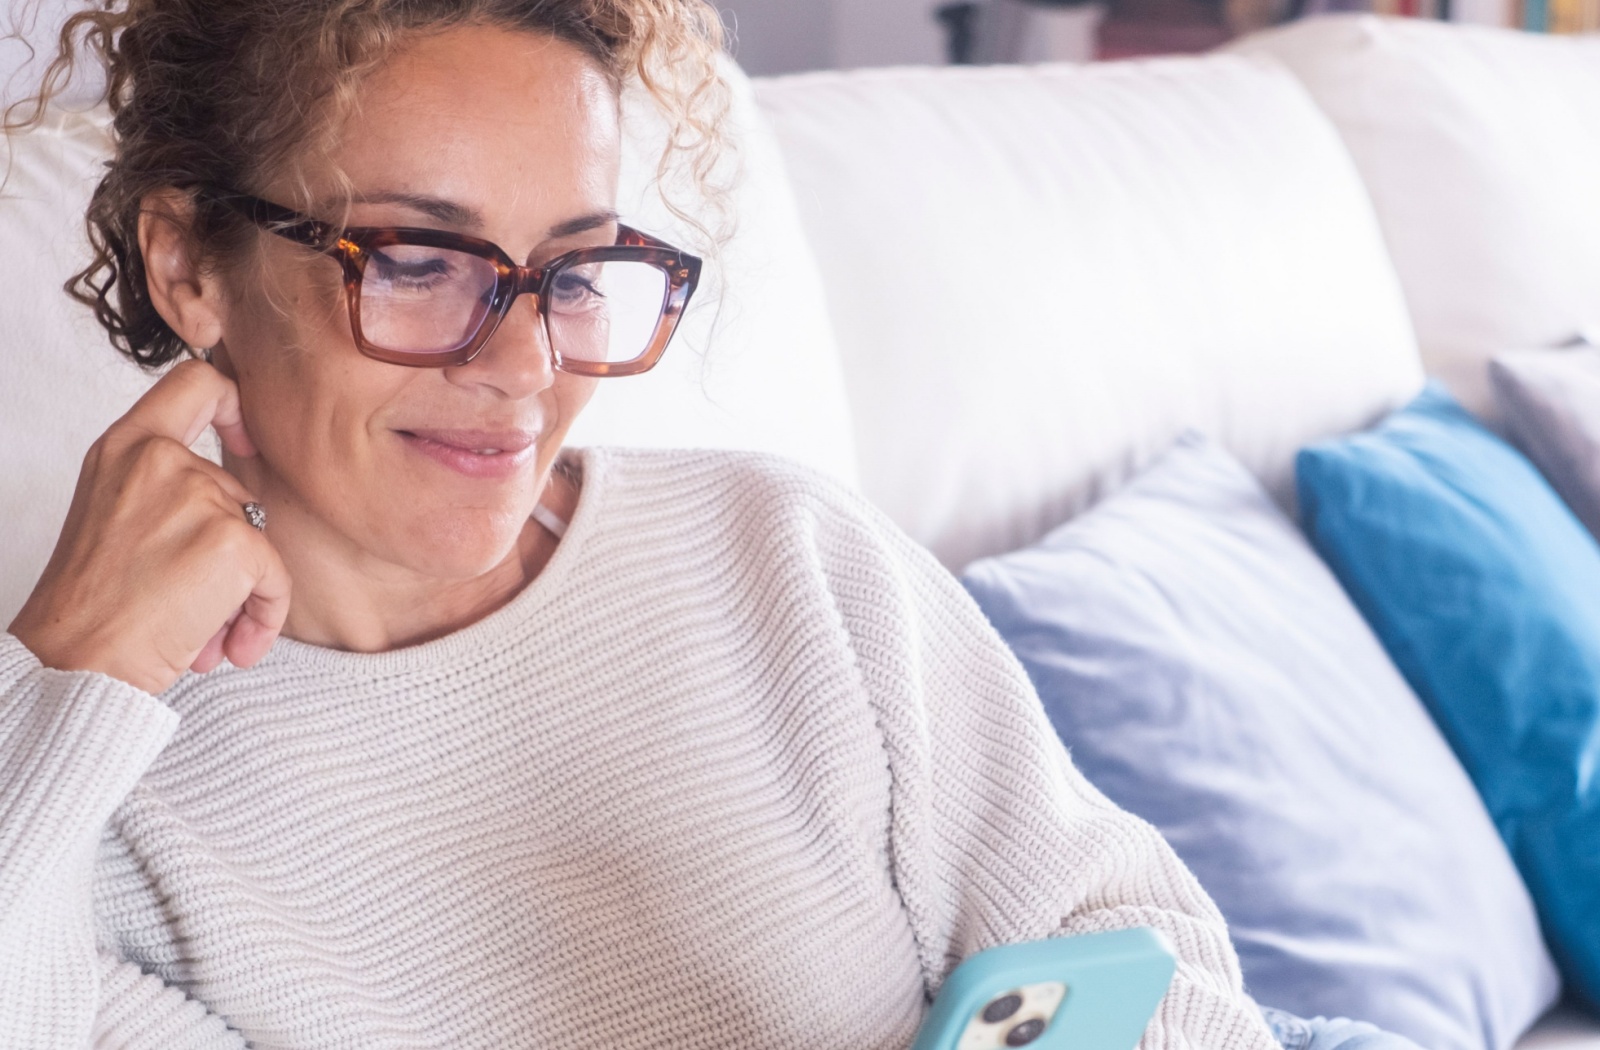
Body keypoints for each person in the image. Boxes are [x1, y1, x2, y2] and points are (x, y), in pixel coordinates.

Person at [0, 2, 1295, 1047]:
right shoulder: (98, 808)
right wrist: (60, 676)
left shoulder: (783, 554)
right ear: (189, 267)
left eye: (572, 270)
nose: (525, 364)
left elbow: (1146, 956)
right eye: (418, 261)